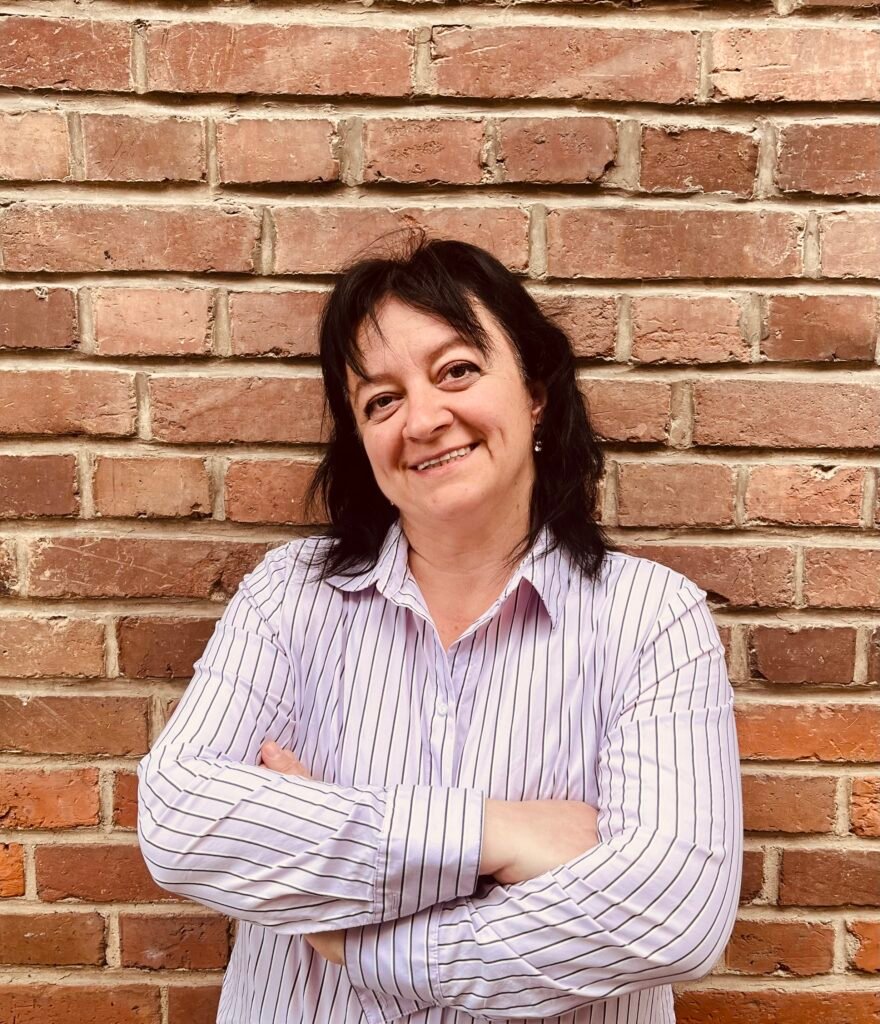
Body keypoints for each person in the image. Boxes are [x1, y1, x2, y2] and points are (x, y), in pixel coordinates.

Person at [137, 233, 742, 1024]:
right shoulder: (290, 598)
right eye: (381, 401)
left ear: (535, 393)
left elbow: (673, 916)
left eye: (456, 370)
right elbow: (179, 821)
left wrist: (358, 936)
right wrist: (497, 834)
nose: (422, 419)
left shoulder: (652, 619)